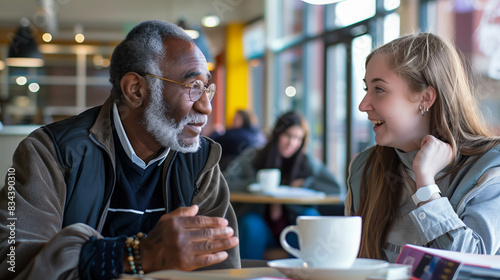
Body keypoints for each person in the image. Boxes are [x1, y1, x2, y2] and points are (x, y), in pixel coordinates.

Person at [0, 20, 240, 280]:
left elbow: (220, 269)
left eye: (207, 89)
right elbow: (12, 264)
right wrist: (134, 255)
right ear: (136, 90)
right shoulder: (50, 153)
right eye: (193, 87)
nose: (206, 107)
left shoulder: (201, 162)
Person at [346, 32, 500, 262]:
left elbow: (470, 267)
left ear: (425, 99)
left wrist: (426, 186)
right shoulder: (364, 167)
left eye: (379, 89)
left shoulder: (489, 168)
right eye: (366, 89)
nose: (363, 105)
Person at [224, 111, 342, 259]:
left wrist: (305, 183)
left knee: (310, 217)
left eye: (298, 138)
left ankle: (305, 273)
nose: (291, 143)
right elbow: (225, 181)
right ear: (277, 134)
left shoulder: (306, 162)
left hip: (292, 226)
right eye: (287, 135)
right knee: (251, 224)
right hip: (262, 225)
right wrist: (254, 184)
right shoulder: (254, 156)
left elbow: (335, 188)